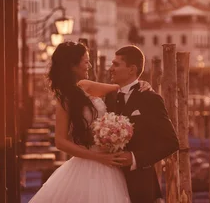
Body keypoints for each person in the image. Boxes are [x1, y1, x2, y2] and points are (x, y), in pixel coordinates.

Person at [29, 41, 150, 203]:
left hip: (107, 162)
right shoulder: (69, 95)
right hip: (91, 162)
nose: (90, 66)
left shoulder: (81, 88)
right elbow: (60, 142)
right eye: (86, 61)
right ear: (73, 66)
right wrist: (97, 157)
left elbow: (119, 88)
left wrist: (140, 84)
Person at [106, 45, 179, 203]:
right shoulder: (107, 97)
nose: (111, 69)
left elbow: (171, 143)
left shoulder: (150, 99)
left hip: (140, 186)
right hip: (107, 181)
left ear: (132, 69)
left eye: (116, 64)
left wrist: (134, 158)